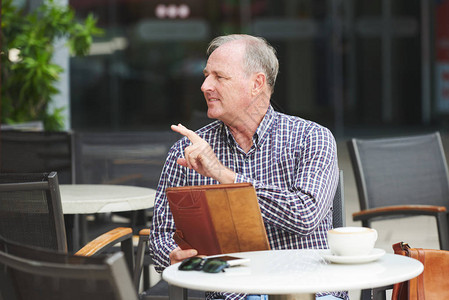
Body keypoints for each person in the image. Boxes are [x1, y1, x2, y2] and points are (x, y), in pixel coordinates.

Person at [149, 34, 347, 300]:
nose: (205, 85)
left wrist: (221, 174)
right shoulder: (188, 152)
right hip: (235, 294)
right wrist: (173, 255)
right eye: (206, 75)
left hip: (310, 289)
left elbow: (306, 215)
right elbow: (161, 237)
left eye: (220, 77)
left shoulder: (311, 137)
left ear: (256, 84)